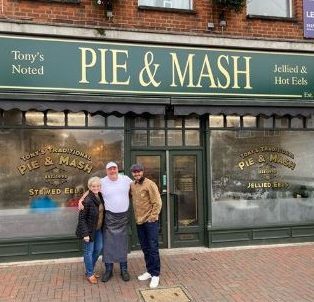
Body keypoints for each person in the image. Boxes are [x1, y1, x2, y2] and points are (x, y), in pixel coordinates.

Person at [79, 161, 132, 282]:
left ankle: (124, 269)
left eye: (114, 169)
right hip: (109, 217)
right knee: (107, 245)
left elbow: (137, 188)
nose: (112, 171)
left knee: (122, 244)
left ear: (118, 169)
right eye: (110, 169)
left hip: (123, 217)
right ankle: (109, 270)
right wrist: (81, 200)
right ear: (107, 171)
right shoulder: (102, 181)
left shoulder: (126, 179)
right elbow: (91, 189)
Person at [130, 163, 162, 288]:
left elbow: (157, 202)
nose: (137, 173)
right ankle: (149, 271)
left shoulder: (150, 184)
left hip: (150, 222)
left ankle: (155, 275)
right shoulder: (132, 185)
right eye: (134, 172)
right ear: (132, 173)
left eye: (139, 171)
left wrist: (152, 218)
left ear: (142, 172)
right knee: (145, 247)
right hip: (139, 221)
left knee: (153, 248)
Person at [75, 176, 104, 284]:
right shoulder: (87, 200)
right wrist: (85, 234)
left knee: (98, 249)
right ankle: (90, 273)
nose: (96, 187)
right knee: (88, 252)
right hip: (89, 230)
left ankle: (89, 270)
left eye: (97, 186)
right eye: (93, 186)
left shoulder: (100, 196)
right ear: (89, 187)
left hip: (98, 229)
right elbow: (81, 218)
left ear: (100, 187)